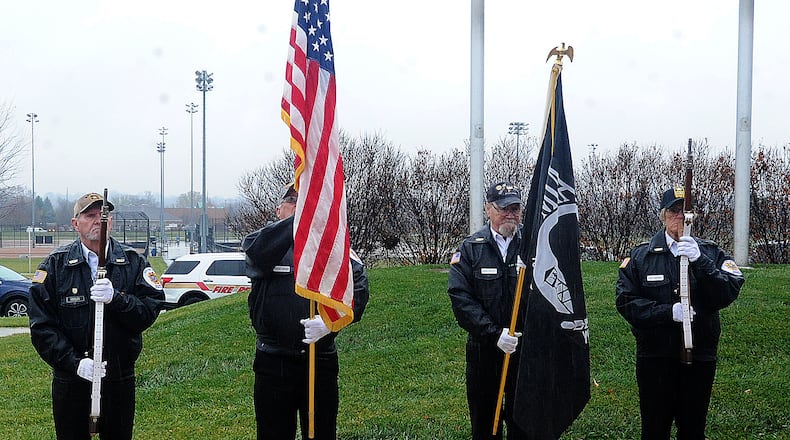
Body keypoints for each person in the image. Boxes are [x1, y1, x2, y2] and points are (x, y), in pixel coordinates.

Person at [28, 192, 165, 440]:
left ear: (111, 221)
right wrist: (74, 363)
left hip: (118, 378)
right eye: (90, 216)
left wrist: (118, 299)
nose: (98, 222)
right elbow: (41, 327)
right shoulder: (55, 266)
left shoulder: (133, 262)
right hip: (72, 380)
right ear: (75, 223)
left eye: (104, 216)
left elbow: (148, 311)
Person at [242, 183, 369, 440]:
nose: (299, 205)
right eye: (293, 201)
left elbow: (358, 288)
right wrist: (303, 219)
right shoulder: (265, 242)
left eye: (306, 201)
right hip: (273, 361)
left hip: (319, 360)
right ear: (279, 210)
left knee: (321, 433)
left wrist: (329, 322)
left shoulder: (332, 244)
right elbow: (256, 254)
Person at [616, 187, 744, 440]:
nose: (680, 217)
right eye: (674, 211)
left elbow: (728, 291)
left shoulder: (710, 253)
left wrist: (701, 261)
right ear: (663, 216)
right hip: (656, 356)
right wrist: (667, 312)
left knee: (693, 429)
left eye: (686, 212)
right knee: (654, 428)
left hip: (700, 355)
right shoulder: (641, 256)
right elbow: (626, 302)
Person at [447, 181, 528, 440]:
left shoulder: (532, 246)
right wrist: (494, 334)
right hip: (484, 351)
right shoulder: (471, 248)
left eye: (515, 209)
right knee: (484, 423)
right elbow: (461, 299)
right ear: (488, 209)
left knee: (524, 423)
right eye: (504, 208)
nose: (510, 214)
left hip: (523, 351)